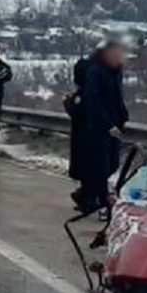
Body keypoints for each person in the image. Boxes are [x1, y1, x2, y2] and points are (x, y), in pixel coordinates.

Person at [78, 42, 129, 213]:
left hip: (114, 124)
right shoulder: (95, 72)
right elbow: (94, 102)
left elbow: (117, 97)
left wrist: (122, 118)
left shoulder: (115, 72)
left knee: (112, 164)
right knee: (101, 165)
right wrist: (106, 124)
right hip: (97, 126)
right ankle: (102, 200)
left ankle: (86, 193)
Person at [65, 54, 92, 208]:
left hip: (84, 135)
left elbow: (77, 112)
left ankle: (88, 198)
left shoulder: (83, 94)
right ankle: (88, 195)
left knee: (85, 167)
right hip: (94, 134)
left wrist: (68, 103)